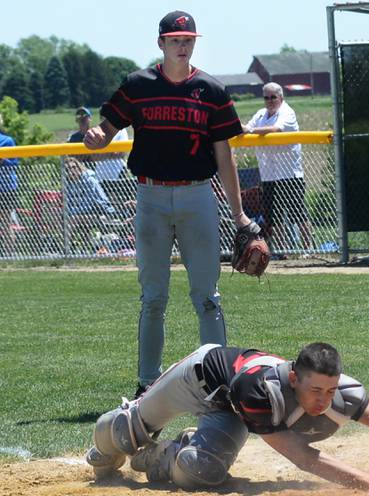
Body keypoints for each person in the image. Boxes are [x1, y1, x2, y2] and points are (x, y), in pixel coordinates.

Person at [83, 10, 252, 397]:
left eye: (188, 38)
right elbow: (107, 130)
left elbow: (224, 156)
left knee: (207, 296)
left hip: (197, 194)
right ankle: (147, 384)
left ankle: (219, 381)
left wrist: (239, 214)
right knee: (154, 296)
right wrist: (97, 136)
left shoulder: (211, 90)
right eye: (175, 39)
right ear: (161, 43)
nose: (183, 44)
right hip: (151, 196)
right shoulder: (138, 85)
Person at [86, 342, 369, 490]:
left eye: (330, 390)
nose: (324, 400)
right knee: (120, 435)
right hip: (199, 380)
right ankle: (108, 450)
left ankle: (164, 453)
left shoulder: (341, 392)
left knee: (199, 472)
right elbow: (302, 457)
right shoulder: (260, 391)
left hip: (231, 412)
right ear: (292, 378)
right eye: (315, 391)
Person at [244, 82, 313, 256]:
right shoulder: (260, 114)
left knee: (298, 213)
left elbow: (275, 129)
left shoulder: (287, 112)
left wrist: (250, 130)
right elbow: (247, 128)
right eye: (266, 97)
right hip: (268, 174)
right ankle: (283, 251)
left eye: (273, 97)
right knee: (273, 216)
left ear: (281, 97)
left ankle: (309, 249)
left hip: (289, 173)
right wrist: (245, 128)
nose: (269, 100)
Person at [0, 116, 20, 256]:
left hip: (6, 188)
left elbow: (15, 163)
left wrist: (3, 159)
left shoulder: (7, 140)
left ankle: (8, 255)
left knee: (6, 222)